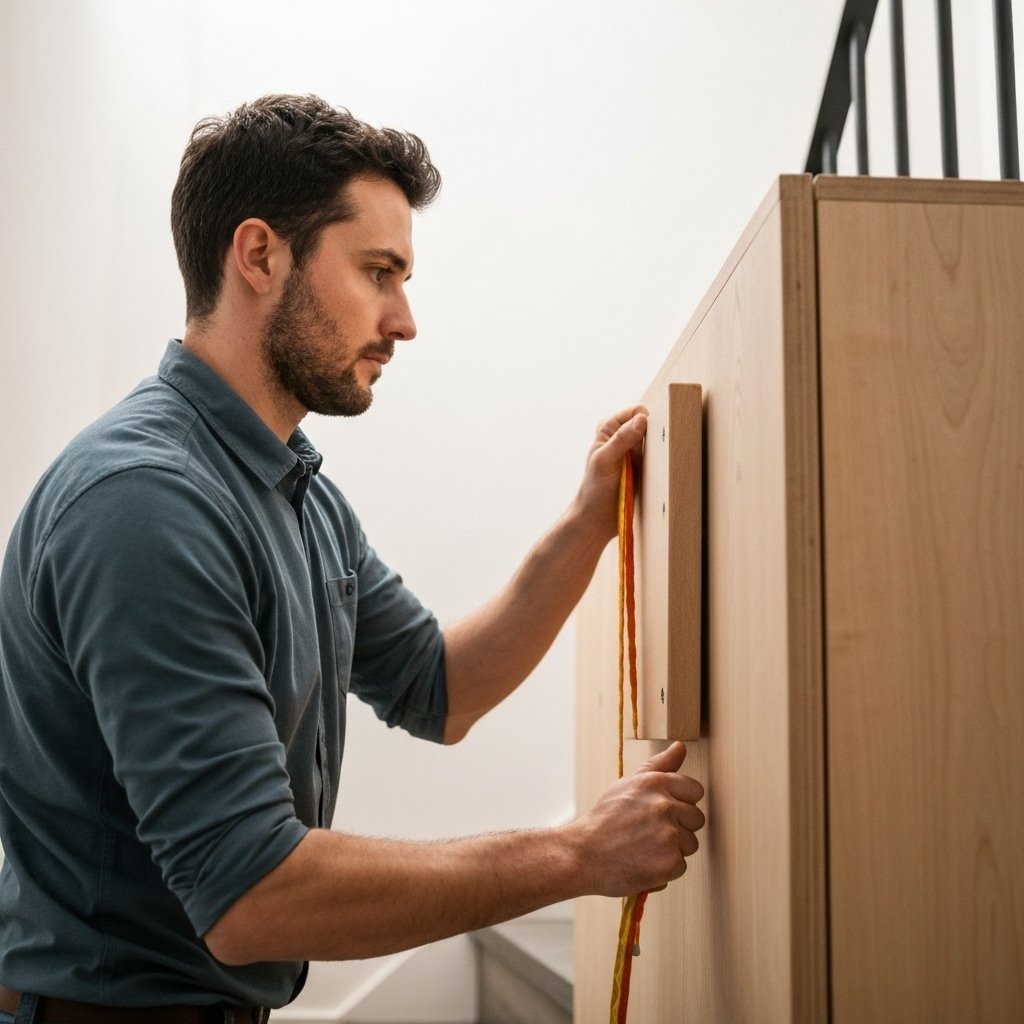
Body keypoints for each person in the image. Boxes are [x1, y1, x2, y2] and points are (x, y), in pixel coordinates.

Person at [0, 94, 704, 1023]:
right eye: (378, 272)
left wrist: (588, 521)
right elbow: (254, 894)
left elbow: (441, 686)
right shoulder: (146, 503)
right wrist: (576, 855)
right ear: (260, 256)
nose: (404, 321)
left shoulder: (298, 494)